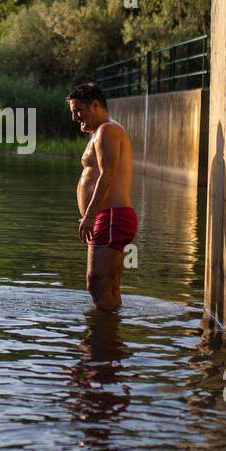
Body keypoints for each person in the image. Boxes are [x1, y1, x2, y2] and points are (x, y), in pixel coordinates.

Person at [66, 81, 136, 312]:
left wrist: (89, 215)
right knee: (109, 286)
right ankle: (111, 341)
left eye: (79, 110)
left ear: (95, 104)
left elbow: (108, 174)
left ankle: (101, 344)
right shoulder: (100, 131)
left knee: (96, 284)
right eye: (73, 112)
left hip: (110, 216)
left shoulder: (108, 130)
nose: (75, 117)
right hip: (108, 217)